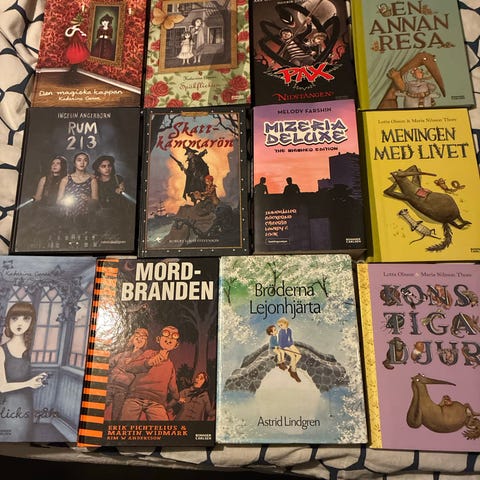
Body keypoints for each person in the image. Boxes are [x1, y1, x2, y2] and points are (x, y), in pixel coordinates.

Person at [0, 302, 48, 441]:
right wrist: (29, 383)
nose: (19, 323)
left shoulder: (31, 349)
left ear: (32, 322)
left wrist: (37, 379)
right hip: (7, 405)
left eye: (26, 318)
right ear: (8, 321)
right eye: (14, 318)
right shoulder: (1, 351)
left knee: (24, 440)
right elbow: (2, 387)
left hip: (26, 403)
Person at [120, 325, 180, 421]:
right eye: (166, 334)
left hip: (157, 403)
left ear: (176, 344)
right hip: (135, 397)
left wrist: (172, 402)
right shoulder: (148, 353)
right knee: (125, 424)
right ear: (158, 339)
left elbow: (174, 389)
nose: (169, 338)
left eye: (174, 336)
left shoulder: (170, 366)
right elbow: (130, 367)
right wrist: (148, 363)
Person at [105, 328, 149, 421]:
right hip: (109, 385)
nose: (139, 339)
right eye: (137, 336)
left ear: (145, 342)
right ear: (132, 338)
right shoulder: (123, 354)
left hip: (122, 390)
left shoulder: (143, 358)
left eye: (143, 338)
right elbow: (109, 364)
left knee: (116, 415)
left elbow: (142, 371)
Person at [57, 152, 98, 231]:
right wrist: (65, 201)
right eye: (79, 160)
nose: (82, 163)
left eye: (85, 160)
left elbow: (96, 201)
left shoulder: (92, 180)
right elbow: (58, 201)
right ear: (74, 163)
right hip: (68, 214)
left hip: (86, 215)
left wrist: (88, 199)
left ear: (87, 163)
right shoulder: (65, 179)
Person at [277, 317, 302, 382]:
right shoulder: (280, 332)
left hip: (289, 343)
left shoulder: (289, 330)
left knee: (299, 355)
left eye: (281, 325)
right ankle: (293, 371)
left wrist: (292, 345)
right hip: (283, 345)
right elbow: (279, 341)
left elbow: (290, 338)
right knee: (293, 356)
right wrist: (281, 348)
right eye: (279, 326)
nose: (280, 327)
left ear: (285, 323)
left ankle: (291, 366)